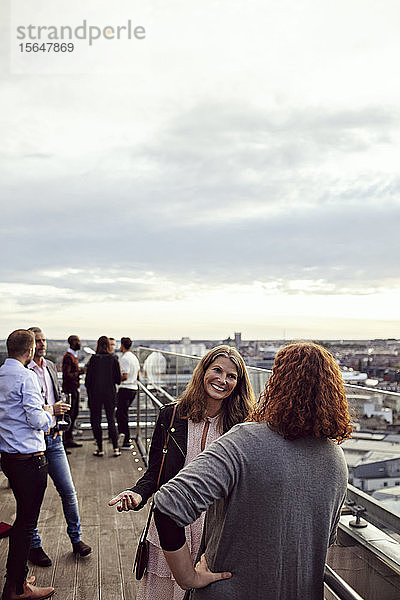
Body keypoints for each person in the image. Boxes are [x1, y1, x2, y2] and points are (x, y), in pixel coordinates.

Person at [147, 342, 352, 599]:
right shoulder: (336, 460)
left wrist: (188, 577)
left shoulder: (243, 441)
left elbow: (167, 505)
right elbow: (322, 540)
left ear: (277, 384)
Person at [109, 345, 255, 600]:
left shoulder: (243, 426)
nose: (222, 380)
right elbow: (156, 472)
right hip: (172, 524)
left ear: (239, 383)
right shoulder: (172, 415)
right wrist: (137, 494)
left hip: (216, 529)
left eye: (231, 376)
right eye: (217, 370)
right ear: (203, 372)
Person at [27, 327, 92, 567]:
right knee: (34, 497)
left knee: (68, 491)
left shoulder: (50, 366)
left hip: (55, 439)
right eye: (38, 340)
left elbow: (55, 396)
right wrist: (50, 410)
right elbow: (26, 411)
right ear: (29, 345)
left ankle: (76, 540)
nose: (42, 344)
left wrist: (59, 409)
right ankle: (34, 545)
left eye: (44, 340)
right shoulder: (25, 372)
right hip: (34, 443)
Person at [0, 329, 55, 600]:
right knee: (26, 524)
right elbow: (36, 421)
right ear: (30, 351)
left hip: (9, 460)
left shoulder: (1, 374)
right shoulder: (27, 376)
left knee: (22, 521)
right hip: (30, 461)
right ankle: (16, 588)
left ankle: (18, 577)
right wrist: (49, 415)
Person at [85, 336, 121, 457]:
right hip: (109, 393)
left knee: (96, 421)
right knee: (111, 420)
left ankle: (100, 449)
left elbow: (87, 381)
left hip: (95, 394)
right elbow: (118, 380)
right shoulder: (113, 359)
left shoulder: (93, 359)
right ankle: (116, 448)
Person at [116, 337, 140, 450]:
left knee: (122, 415)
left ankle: (125, 441)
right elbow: (138, 374)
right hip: (133, 388)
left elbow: (124, 376)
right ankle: (124, 438)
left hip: (125, 389)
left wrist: (114, 379)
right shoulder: (134, 357)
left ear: (122, 345)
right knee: (122, 414)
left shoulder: (124, 358)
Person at [62, 335, 84, 449]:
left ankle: (69, 439)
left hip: (74, 389)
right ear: (72, 342)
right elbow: (67, 375)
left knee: (74, 414)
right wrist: (80, 372)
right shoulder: (68, 357)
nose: (79, 343)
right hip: (70, 390)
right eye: (78, 341)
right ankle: (66, 440)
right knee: (70, 415)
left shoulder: (72, 356)